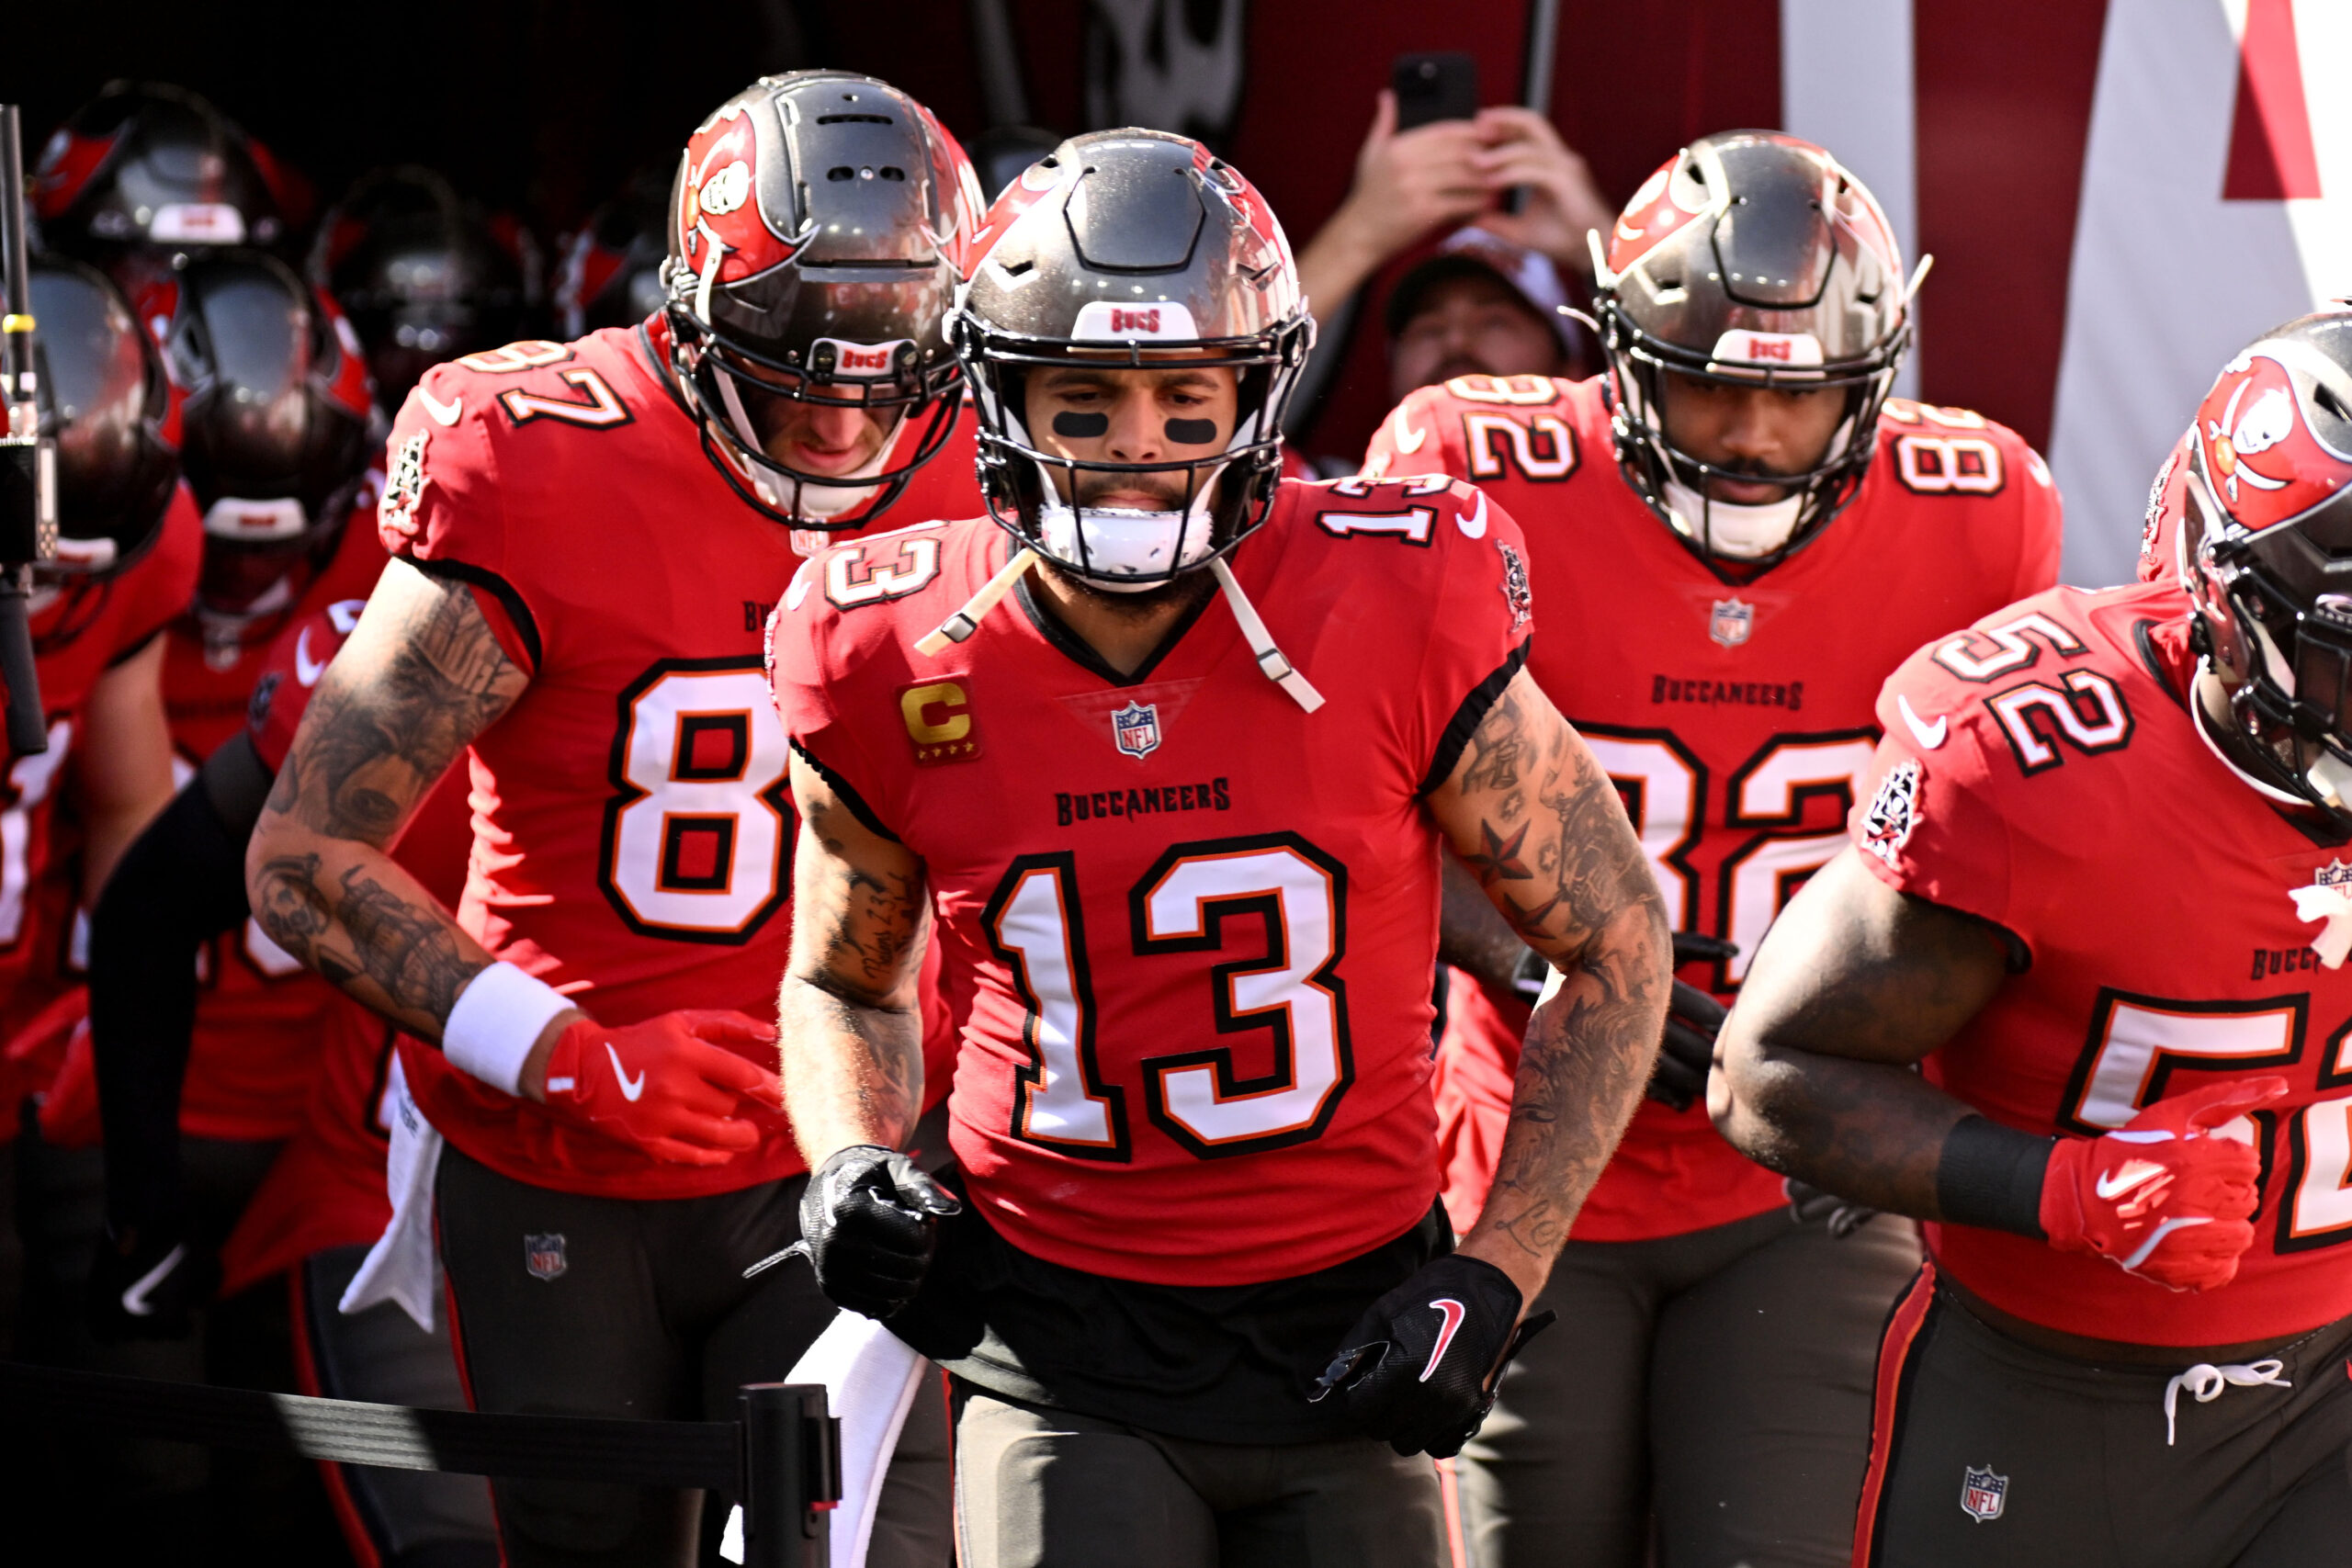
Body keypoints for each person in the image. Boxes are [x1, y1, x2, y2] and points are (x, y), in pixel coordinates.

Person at [766, 127, 1671, 1568]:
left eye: (1186, 399)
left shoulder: (1400, 589)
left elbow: (1617, 942)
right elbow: (841, 979)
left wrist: (1497, 1272)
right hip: (1053, 1342)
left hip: (1352, 1334)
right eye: (1084, 397)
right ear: (995, 392)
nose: (1137, 446)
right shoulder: (881, 643)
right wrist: (848, 1155)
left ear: (1258, 394)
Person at [242, 71, 985, 1568]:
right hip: (557, 1160)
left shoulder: (1001, 457)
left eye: (884, 363)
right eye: (792, 365)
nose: (842, 413)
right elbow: (301, 863)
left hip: (851, 1154)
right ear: (697, 318)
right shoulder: (537, 458)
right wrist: (566, 1054)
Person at [1361, 130, 2064, 1568]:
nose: (1747, 435)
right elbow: (1352, 802)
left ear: (1871, 388)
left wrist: (1850, 1039)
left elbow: (2007, 862)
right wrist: (1559, 966)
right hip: (1526, 1155)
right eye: (1708, 383)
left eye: (1791, 399)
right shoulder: (1470, 472)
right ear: (1614, 357)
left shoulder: (1980, 509)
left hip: (1796, 1177)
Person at [1713, 311, 2352, 1566]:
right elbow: (1765, 1071)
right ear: (2226, 596)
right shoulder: (2039, 760)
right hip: (2051, 1386)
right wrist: (2061, 1187)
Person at [95, 590, 495, 1565]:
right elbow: (149, 900)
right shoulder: (406, 649)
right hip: (392, 1199)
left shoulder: (810, 610)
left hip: (693, 1180)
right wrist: (145, 1202)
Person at [1, 253, 204, 1557]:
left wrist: (117, 1037)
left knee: (140, 1428)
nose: (57, 591)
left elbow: (129, 800)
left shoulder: (136, 550)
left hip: (28, 1026)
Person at [1382, 224, 1595, 406]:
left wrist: (1598, 246)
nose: (1456, 342)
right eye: (1429, 329)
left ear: (1570, 372)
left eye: (1494, 323)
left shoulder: (1620, 455)